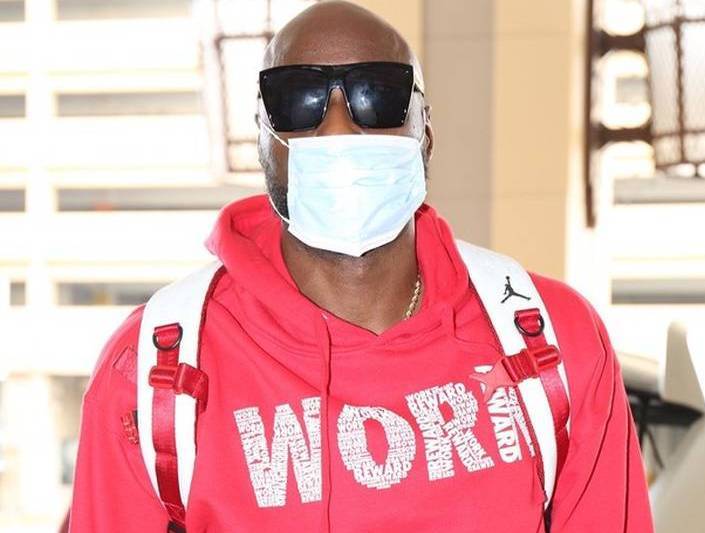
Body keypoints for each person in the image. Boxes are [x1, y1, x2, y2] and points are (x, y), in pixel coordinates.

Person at [68, 2, 653, 531]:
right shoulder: (154, 368)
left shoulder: (554, 339)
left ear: (426, 132)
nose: (337, 129)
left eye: (378, 94)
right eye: (296, 98)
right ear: (262, 140)